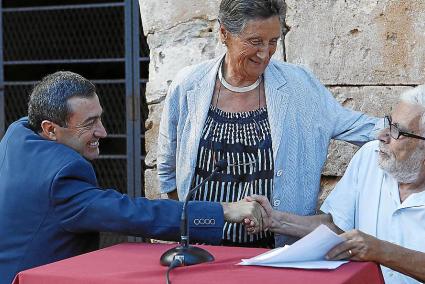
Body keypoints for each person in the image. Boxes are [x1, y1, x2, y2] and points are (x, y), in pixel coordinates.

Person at [0, 71, 265, 284]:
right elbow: (133, 213)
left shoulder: (19, 133)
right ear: (50, 129)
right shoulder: (61, 178)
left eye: (99, 118)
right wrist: (223, 210)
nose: (102, 132)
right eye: (89, 123)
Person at [157, 0, 379, 248]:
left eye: (273, 41)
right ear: (223, 33)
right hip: (202, 249)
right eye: (255, 42)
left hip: (276, 250)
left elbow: (362, 127)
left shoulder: (300, 85)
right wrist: (188, 229)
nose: (265, 53)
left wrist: (407, 129)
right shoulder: (188, 84)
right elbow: (168, 170)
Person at [248, 86, 425, 283]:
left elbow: (372, 247)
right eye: (388, 123)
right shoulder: (370, 156)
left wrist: (382, 251)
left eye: (397, 131)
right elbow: (336, 226)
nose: (382, 135)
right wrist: (275, 220)